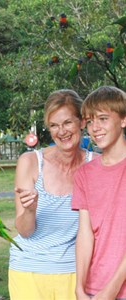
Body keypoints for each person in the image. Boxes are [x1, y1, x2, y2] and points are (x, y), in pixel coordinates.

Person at [8, 89, 95, 300]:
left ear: (82, 122)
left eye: (67, 123)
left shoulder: (95, 165)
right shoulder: (30, 162)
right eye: (54, 126)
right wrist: (30, 209)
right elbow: (25, 231)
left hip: (75, 274)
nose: (61, 132)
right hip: (28, 270)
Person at [72, 86, 126, 299]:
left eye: (103, 119)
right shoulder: (84, 174)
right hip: (94, 288)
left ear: (123, 120)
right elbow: (85, 233)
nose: (95, 128)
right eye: (90, 121)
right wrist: (79, 287)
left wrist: (112, 288)